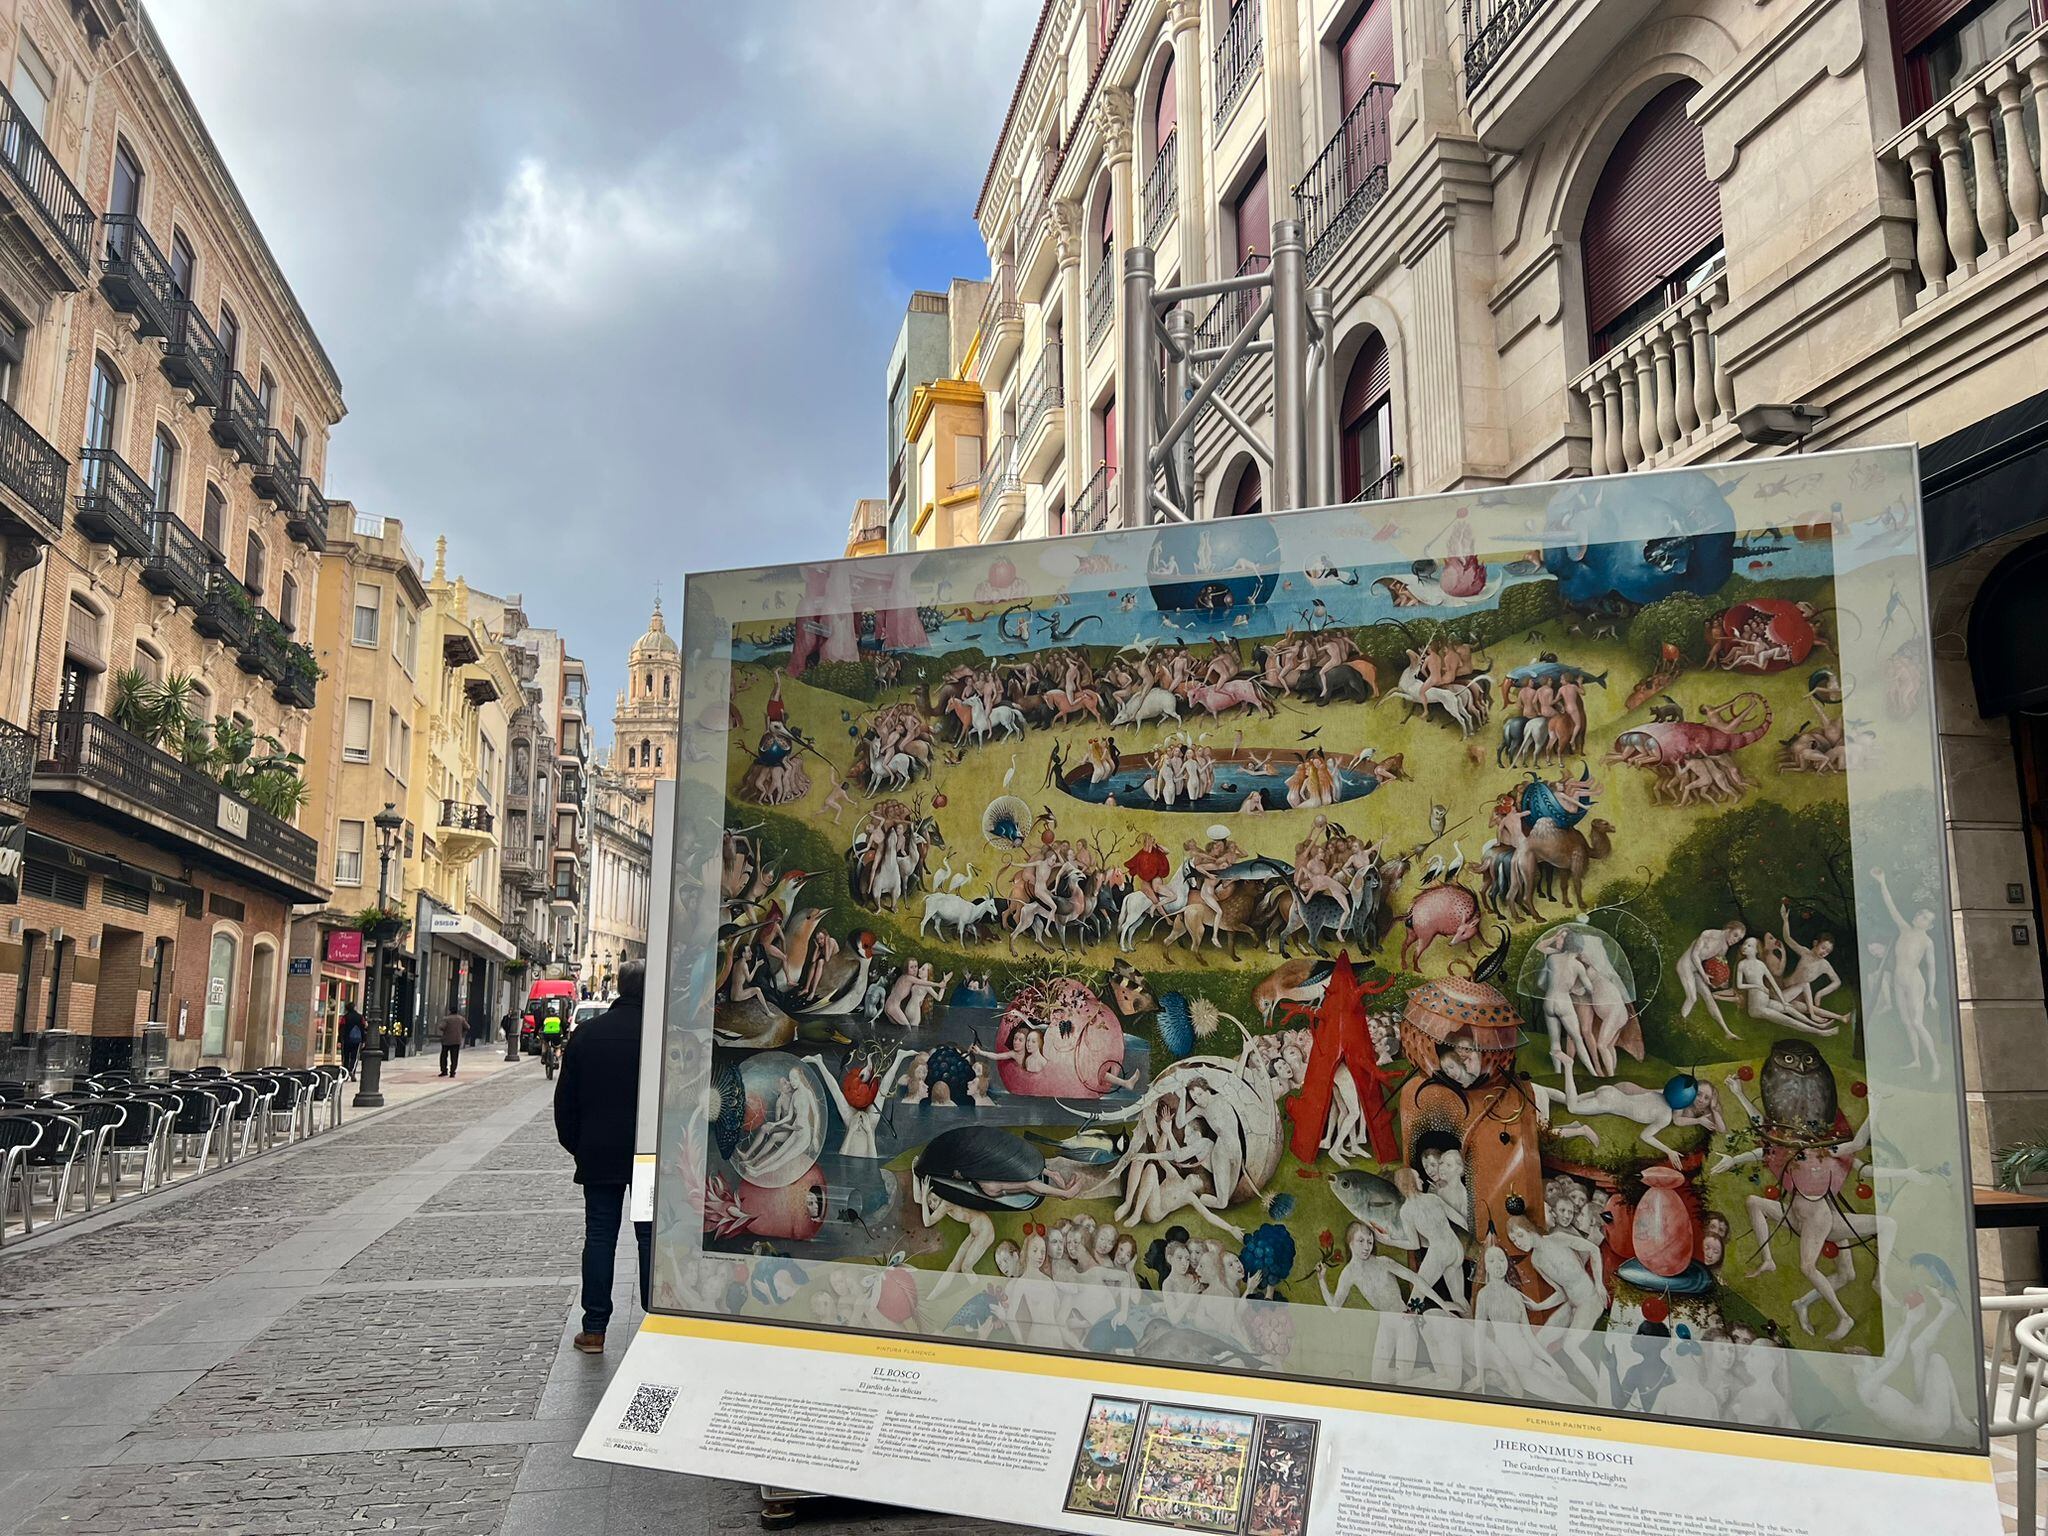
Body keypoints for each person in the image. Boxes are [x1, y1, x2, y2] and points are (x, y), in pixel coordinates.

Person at [555, 959, 653, 1354]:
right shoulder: (659, 1036)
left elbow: (565, 1102)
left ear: (619, 987)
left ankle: (594, 1328)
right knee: (648, 1236)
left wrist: (579, 1145)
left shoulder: (587, 1035)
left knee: (599, 1237)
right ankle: (655, 1320)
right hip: (646, 1155)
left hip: (597, 1155)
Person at [339, 1007, 366, 1080]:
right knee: (355, 1057)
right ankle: (352, 1070)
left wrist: (339, 1040)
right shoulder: (360, 1017)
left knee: (345, 1057)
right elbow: (363, 1029)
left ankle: (345, 1073)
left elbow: (341, 1028)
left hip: (346, 1040)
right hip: (357, 1040)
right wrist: (363, 1040)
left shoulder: (345, 1017)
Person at [438, 1008, 465, 1077]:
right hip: (456, 1041)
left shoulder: (446, 1019)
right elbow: (467, 1027)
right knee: (454, 1057)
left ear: (450, 1011)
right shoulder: (461, 1019)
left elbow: (441, 1027)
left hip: (446, 1041)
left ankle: (444, 1071)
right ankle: (452, 1072)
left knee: (443, 1056)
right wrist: (460, 1031)